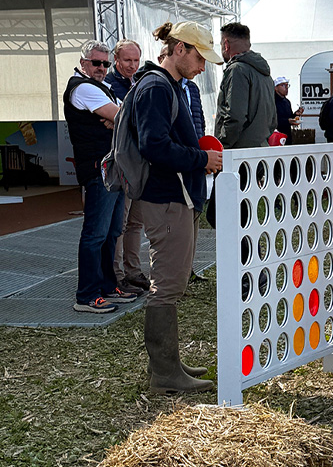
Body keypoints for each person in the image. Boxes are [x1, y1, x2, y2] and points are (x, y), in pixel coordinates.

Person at [130, 21, 224, 393]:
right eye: (200, 58)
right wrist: (201, 159)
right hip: (168, 196)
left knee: (171, 281)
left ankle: (167, 365)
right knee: (168, 285)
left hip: (173, 195)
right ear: (180, 48)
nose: (203, 67)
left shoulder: (164, 85)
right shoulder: (157, 87)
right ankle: (164, 373)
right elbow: (154, 146)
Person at [63, 41, 137, 312]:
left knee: (111, 232)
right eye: (96, 63)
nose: (102, 68)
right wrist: (118, 119)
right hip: (98, 169)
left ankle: (106, 286)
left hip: (111, 168)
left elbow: (125, 116)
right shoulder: (83, 87)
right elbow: (125, 117)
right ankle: (86, 295)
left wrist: (118, 120)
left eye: (105, 64)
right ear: (83, 63)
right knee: (96, 234)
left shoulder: (100, 87)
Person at [103, 39, 151, 295]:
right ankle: (117, 275)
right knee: (119, 224)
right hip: (122, 164)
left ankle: (133, 271)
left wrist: (122, 119)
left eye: (136, 60)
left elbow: (137, 119)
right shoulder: (108, 86)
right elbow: (122, 120)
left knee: (135, 222)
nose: (132, 65)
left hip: (140, 162)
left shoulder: (139, 83)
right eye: (127, 60)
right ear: (116, 60)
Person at [215, 22, 277, 148]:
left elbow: (235, 116)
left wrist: (222, 144)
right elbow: (273, 120)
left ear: (226, 45)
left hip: (238, 152)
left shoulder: (237, 70)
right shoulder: (265, 75)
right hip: (261, 149)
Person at [273, 76, 303, 144]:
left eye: (287, 85)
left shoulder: (287, 102)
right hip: (275, 136)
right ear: (276, 88)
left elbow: (289, 117)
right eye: (283, 85)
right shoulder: (272, 101)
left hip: (287, 136)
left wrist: (296, 114)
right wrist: (287, 121)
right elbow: (271, 120)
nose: (286, 88)